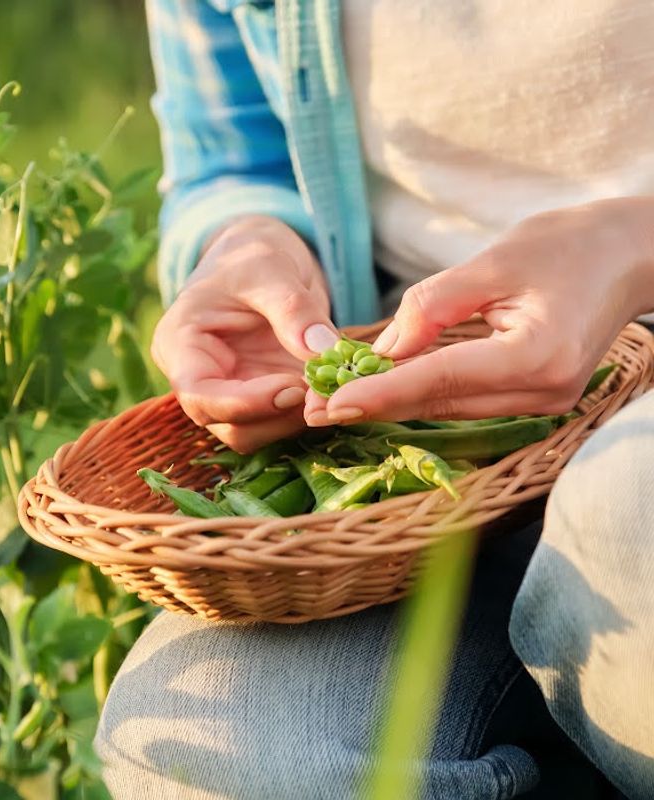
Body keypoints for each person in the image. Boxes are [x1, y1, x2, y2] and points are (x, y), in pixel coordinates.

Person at [95, 2, 654, 797]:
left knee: (631, 521)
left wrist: (632, 245)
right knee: (213, 751)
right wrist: (248, 243)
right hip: (409, 404)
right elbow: (233, 158)